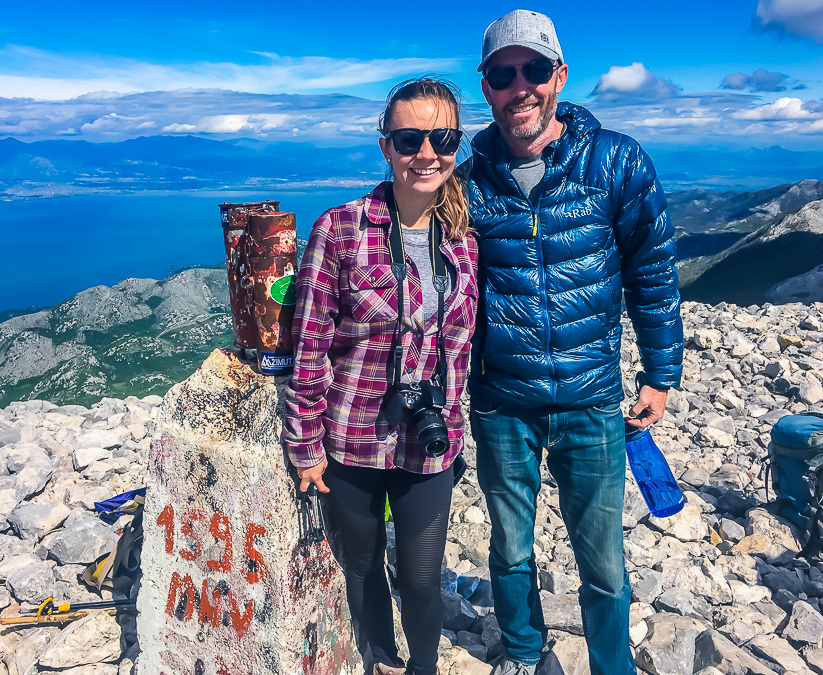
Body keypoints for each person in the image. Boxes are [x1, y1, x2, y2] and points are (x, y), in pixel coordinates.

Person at [464, 10, 684, 675]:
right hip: (502, 400)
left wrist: (660, 374)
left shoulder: (614, 159)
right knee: (508, 546)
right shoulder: (465, 178)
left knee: (605, 562)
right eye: (504, 74)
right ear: (487, 87)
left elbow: (653, 267)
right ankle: (525, 654)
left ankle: (610, 665)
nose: (520, 87)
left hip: (591, 398)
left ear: (559, 76)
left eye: (534, 70)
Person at [283, 78, 479, 675]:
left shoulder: (464, 241)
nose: (427, 153)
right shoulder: (340, 229)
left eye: (442, 138)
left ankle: (421, 669)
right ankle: (382, 661)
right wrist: (304, 444)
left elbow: (464, 345)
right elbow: (310, 343)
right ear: (385, 147)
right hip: (351, 438)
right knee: (363, 566)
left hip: (429, 440)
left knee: (421, 577)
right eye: (408, 138)